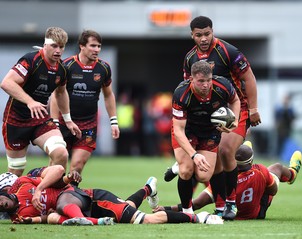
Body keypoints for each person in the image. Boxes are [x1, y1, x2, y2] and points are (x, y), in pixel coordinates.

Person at [176, 15, 261, 220]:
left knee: (224, 150)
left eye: (207, 34)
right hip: (208, 115)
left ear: (212, 32)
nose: (204, 38)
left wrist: (253, 108)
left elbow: (248, 77)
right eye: (199, 35)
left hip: (236, 109)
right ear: (192, 35)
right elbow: (189, 87)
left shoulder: (227, 51)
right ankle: (221, 205)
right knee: (211, 159)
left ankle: (231, 203)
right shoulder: (190, 58)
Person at [0, 166, 223, 225]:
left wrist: (41, 189)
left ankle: (198, 218)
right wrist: (34, 219)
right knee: (126, 208)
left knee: (147, 220)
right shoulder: (18, 217)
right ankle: (148, 189)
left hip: (92, 199)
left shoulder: (24, 183)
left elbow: (58, 171)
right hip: (91, 206)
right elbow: (44, 218)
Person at [0, 27, 81, 177]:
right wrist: (30, 102)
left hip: (40, 119)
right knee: (16, 170)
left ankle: (50, 196)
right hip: (16, 119)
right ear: (45, 45)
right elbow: (6, 83)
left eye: (61, 47)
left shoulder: (62, 69)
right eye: (54, 46)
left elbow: (61, 93)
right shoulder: (31, 60)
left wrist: (68, 120)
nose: (58, 50)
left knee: (61, 153)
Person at [155, 141, 302, 220]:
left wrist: (167, 208)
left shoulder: (224, 180)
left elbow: (197, 203)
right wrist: (261, 185)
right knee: (276, 167)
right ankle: (291, 173)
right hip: (258, 212)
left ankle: (244, 148)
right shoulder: (260, 170)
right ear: (251, 162)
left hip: (233, 213)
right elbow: (273, 191)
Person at [171, 61, 240, 215]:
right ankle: (187, 212)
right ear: (191, 79)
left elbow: (235, 100)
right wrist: (194, 155)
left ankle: (179, 164)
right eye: (201, 81)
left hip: (210, 131)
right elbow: (178, 130)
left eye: (208, 81)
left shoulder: (222, 86)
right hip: (186, 131)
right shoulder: (181, 94)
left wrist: (234, 120)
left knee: (203, 175)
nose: (206, 85)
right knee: (187, 170)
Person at [50, 30, 119, 179]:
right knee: (57, 166)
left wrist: (114, 122)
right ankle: (47, 196)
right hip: (64, 122)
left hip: (88, 124)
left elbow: (108, 95)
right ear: (82, 46)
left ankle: (70, 198)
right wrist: (55, 122)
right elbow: (57, 95)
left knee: (77, 166)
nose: (97, 50)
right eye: (93, 46)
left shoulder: (104, 68)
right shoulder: (67, 66)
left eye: (99, 46)